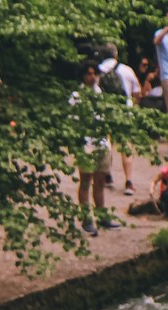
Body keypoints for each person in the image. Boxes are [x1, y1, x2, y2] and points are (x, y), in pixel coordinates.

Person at [69, 62, 117, 235]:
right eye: (89, 73)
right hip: (86, 144)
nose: (92, 77)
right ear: (83, 75)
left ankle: (102, 216)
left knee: (100, 182)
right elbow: (73, 122)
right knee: (85, 182)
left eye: (94, 73)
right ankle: (86, 219)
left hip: (102, 143)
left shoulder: (100, 94)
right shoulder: (77, 96)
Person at [98, 45, 142, 195]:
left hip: (104, 112)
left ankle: (107, 176)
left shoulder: (96, 70)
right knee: (126, 146)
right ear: (116, 54)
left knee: (106, 142)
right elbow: (138, 93)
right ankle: (129, 182)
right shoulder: (127, 70)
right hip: (124, 112)